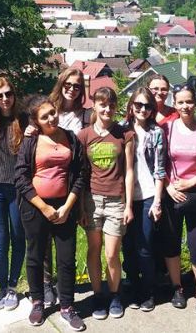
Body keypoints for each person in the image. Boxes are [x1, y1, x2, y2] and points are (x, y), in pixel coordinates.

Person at [15, 95, 87, 331]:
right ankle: (38, 302)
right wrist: (44, 208)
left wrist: (67, 206)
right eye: (44, 116)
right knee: (35, 256)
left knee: (66, 259)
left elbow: (80, 174)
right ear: (36, 121)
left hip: (65, 207)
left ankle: (67, 306)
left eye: (52, 112)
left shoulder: (71, 138)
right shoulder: (31, 141)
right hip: (36, 207)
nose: (51, 118)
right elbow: (21, 177)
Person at [25, 67, 89, 307]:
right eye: (68, 85)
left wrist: (73, 205)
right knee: (38, 252)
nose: (72, 89)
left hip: (70, 190)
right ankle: (43, 290)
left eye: (77, 86)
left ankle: (66, 301)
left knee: (66, 253)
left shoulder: (84, 117)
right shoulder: (45, 114)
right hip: (38, 200)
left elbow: (80, 167)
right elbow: (23, 171)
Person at [160, 84, 196, 315]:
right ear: (174, 104)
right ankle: (177, 287)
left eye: (189, 101)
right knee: (171, 243)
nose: (185, 106)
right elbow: (159, 162)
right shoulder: (166, 129)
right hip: (172, 194)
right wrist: (168, 186)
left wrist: (190, 183)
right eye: (180, 102)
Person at [78, 87, 134, 320]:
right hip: (91, 200)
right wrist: (81, 207)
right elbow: (80, 173)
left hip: (115, 201)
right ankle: (98, 295)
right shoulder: (84, 136)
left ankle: (115, 294)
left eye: (111, 105)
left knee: (112, 253)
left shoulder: (125, 135)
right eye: (102, 104)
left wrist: (128, 204)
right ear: (94, 106)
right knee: (94, 249)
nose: (107, 109)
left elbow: (129, 171)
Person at [0, 77, 28, 311]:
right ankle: (2, 287)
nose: (4, 99)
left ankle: (12, 286)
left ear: (14, 95)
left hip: (18, 187)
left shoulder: (24, 120)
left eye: (8, 94)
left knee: (18, 236)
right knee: (1, 238)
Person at [121, 87, 166, 312]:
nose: (143, 109)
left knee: (145, 245)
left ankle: (148, 291)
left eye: (147, 106)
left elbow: (160, 169)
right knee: (127, 245)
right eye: (138, 105)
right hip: (124, 196)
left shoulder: (156, 132)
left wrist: (157, 201)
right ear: (131, 106)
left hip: (148, 194)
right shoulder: (121, 129)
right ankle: (133, 285)